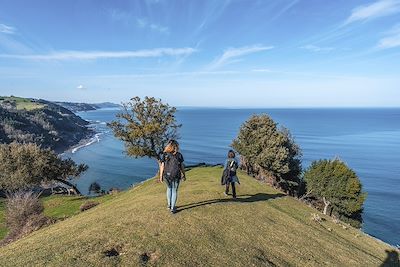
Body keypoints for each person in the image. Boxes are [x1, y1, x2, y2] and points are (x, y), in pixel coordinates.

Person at [159, 140, 186, 214]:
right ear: (176, 146)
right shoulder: (179, 155)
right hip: (176, 175)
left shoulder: (165, 154)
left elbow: (162, 166)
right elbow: (182, 166)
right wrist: (184, 174)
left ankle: (169, 205)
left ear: (168, 146)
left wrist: (160, 176)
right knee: (174, 191)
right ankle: (172, 208)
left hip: (166, 175)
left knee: (169, 188)